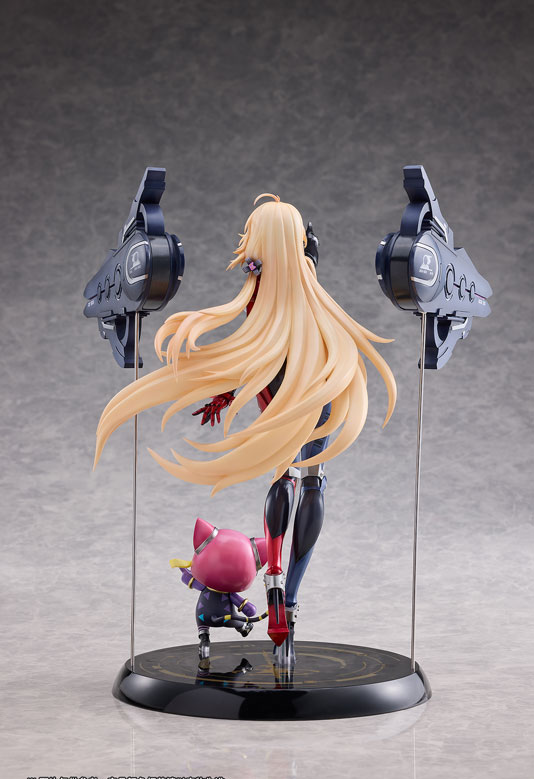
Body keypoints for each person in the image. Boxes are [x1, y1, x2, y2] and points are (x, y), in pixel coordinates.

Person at [95, 193, 396, 653]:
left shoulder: (262, 293)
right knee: (311, 482)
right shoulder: (303, 286)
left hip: (288, 396)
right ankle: (289, 598)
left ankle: (274, 577)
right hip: (321, 394)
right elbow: (267, 340)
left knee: (287, 474)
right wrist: (308, 259)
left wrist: (227, 393)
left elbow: (256, 352)